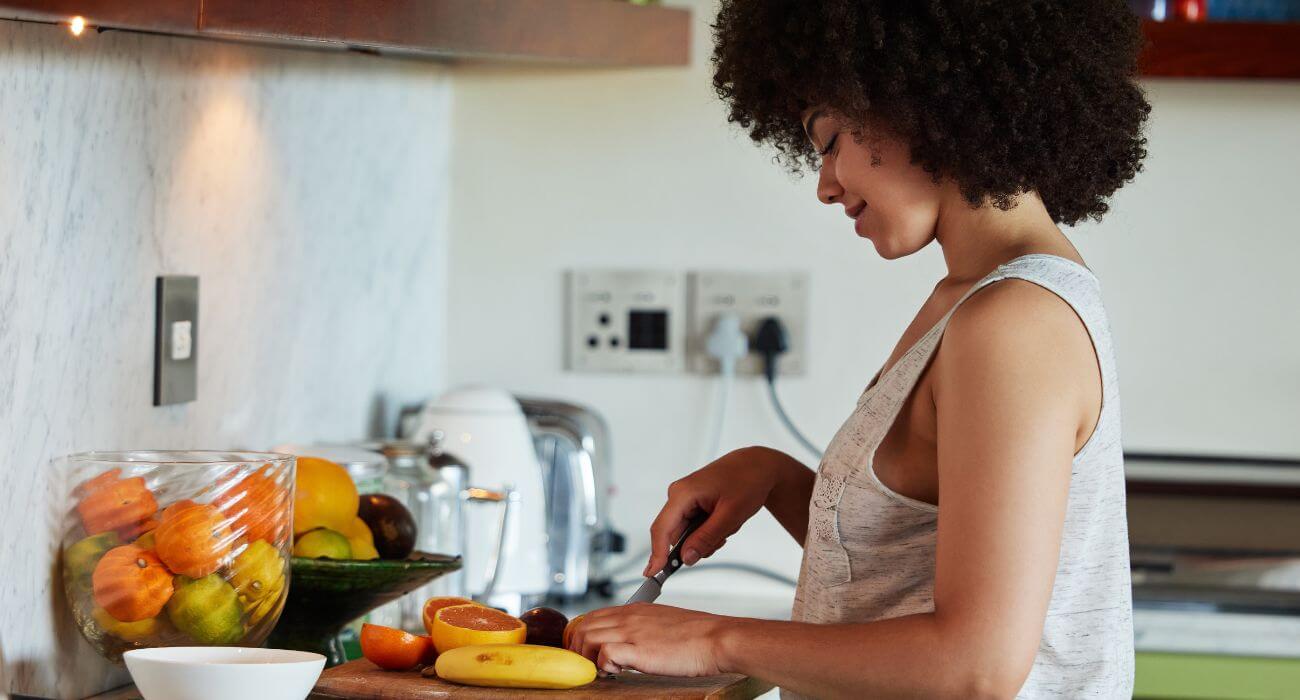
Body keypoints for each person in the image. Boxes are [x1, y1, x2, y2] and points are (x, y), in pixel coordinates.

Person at [566, 1, 1151, 697]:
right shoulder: (970, 301)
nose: (826, 185)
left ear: (927, 100)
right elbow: (898, 579)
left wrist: (712, 639)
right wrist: (774, 477)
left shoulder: (1013, 322)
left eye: (832, 138)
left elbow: (977, 666)